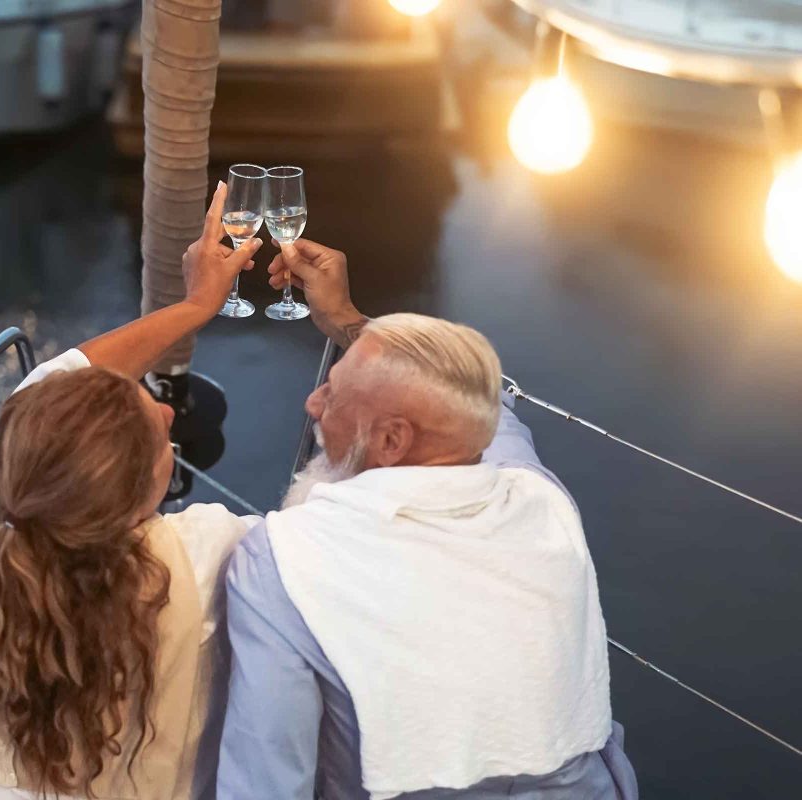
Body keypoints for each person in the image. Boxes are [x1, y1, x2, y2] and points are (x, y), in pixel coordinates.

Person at [216, 240, 639, 799]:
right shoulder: (537, 496)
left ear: (391, 441)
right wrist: (345, 320)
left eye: (333, 393)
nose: (313, 403)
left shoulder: (284, 564)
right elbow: (476, 403)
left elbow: (266, 779)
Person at [0, 182, 263, 800]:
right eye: (156, 431)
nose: (166, 415)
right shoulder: (197, 556)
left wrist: (192, 307)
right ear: (134, 504)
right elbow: (332, 535)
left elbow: (60, 381)